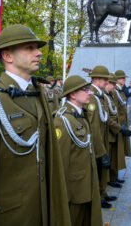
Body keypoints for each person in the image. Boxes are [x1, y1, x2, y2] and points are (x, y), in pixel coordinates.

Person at [0, 25, 71, 226]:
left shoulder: (37, 94)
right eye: (29, 48)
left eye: (37, 47)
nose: (38, 53)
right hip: (10, 216)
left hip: (39, 209)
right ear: (8, 56)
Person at [53, 75, 102, 226]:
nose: (90, 93)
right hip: (74, 188)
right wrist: (64, 194)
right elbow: (60, 162)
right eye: (85, 90)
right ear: (73, 94)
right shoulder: (62, 121)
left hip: (85, 183)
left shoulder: (79, 115)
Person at [85, 65, 112, 209]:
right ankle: (98, 197)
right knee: (97, 169)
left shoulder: (99, 96)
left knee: (102, 170)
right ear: (95, 79)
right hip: (97, 142)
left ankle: (102, 193)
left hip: (102, 138)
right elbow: (94, 127)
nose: (107, 82)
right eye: (104, 79)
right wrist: (101, 150)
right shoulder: (93, 98)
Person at [104, 74, 130, 193]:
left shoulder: (111, 94)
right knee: (109, 156)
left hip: (116, 127)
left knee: (114, 155)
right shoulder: (104, 96)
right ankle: (108, 181)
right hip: (110, 130)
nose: (114, 86)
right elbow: (107, 117)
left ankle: (112, 178)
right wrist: (119, 128)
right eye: (113, 84)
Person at [114, 70, 131, 160]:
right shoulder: (115, 91)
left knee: (121, 148)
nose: (124, 79)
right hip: (119, 122)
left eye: (124, 78)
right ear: (116, 79)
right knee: (118, 148)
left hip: (122, 121)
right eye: (122, 78)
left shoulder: (120, 90)